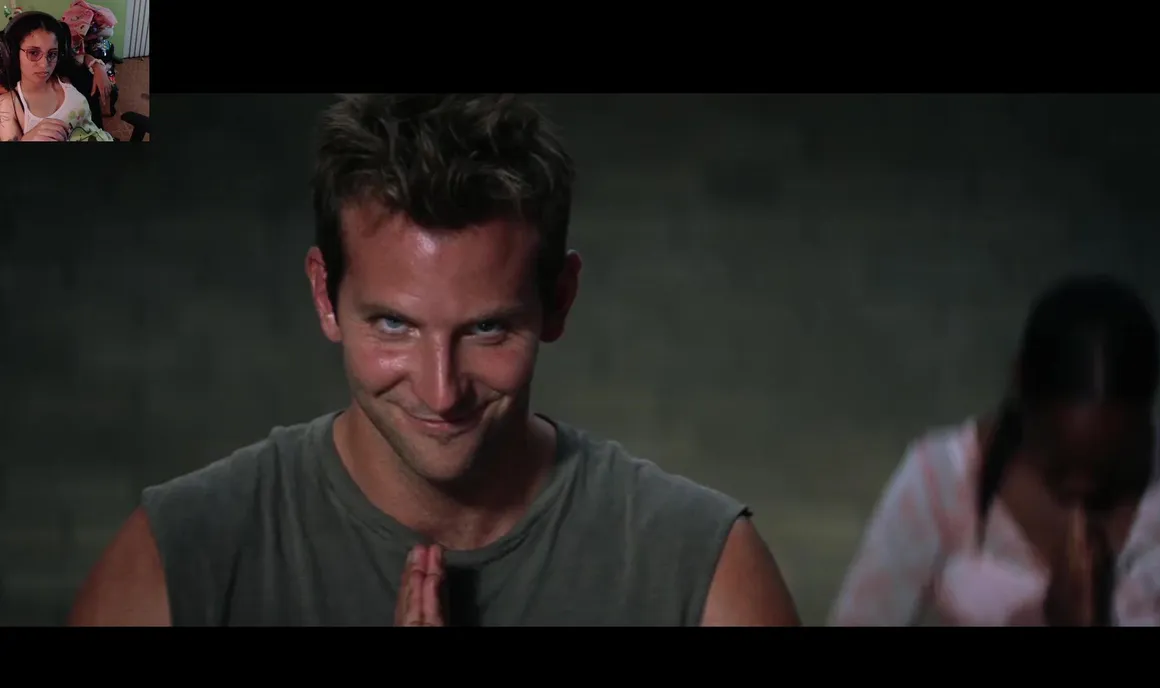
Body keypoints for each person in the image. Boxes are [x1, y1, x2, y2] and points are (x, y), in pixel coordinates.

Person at [67, 94, 800, 627]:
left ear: (560, 300)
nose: (441, 391)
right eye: (393, 325)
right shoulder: (174, 563)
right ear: (325, 296)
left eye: (487, 329)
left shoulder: (705, 573)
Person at [829, 275, 1160, 626]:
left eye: (1111, 468)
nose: (1082, 489)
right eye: (1058, 463)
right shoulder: (938, 481)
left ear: (1148, 418)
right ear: (1022, 392)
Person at [0, 11, 112, 142]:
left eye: (52, 53)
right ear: (11, 54)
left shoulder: (64, 76)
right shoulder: (8, 106)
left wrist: (98, 67)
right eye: (34, 53)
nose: (44, 64)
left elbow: (80, 57)